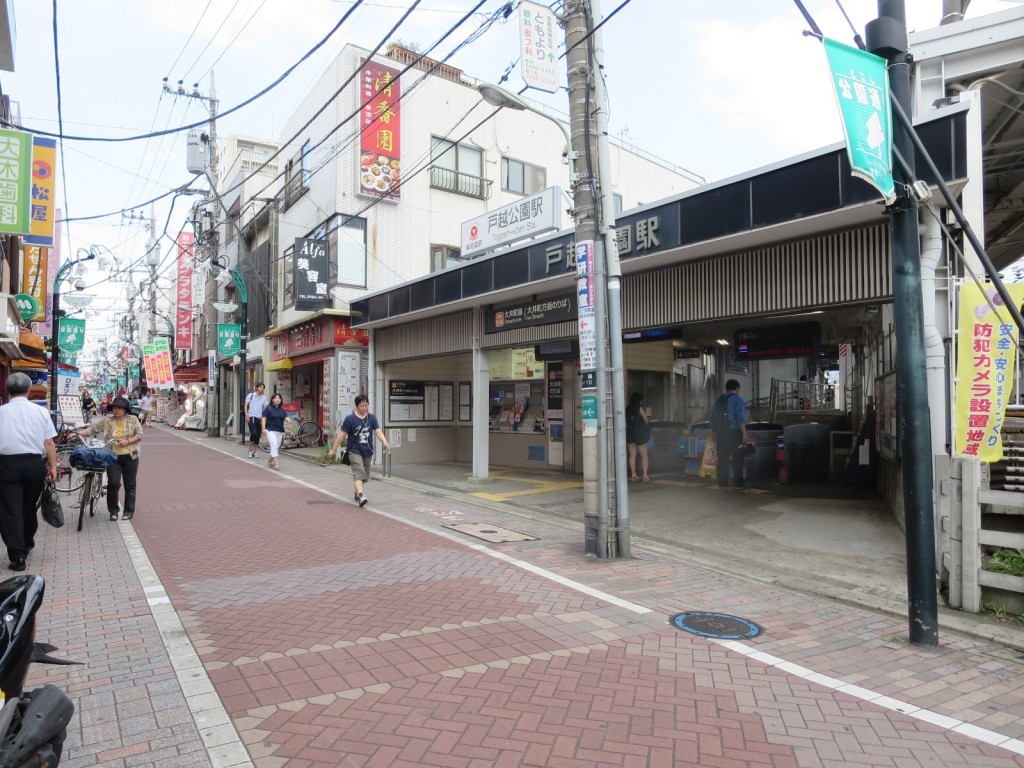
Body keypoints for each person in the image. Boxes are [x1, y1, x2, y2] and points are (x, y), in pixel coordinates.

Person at [0, 373, 58, 571]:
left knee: (10, 509)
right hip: (34, 464)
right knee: (28, 505)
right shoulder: (40, 412)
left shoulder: (1, 412)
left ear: (8, 390)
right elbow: (49, 442)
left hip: (6, 464)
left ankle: (17, 555)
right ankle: (27, 541)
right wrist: (53, 466)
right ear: (29, 390)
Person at [80, 395, 143, 521]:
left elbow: (139, 435)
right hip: (112, 457)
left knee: (130, 485)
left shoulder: (132, 419)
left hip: (131, 456)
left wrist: (128, 441)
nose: (116, 410)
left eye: (120, 408)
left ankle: (128, 511)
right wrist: (77, 433)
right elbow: (92, 430)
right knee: (113, 484)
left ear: (125, 409)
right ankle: (113, 511)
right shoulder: (107, 421)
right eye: (115, 407)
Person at [327, 394, 390, 507]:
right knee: (358, 472)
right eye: (362, 406)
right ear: (357, 406)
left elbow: (378, 431)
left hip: (368, 450)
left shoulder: (372, 418)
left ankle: (357, 492)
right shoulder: (350, 419)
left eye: (366, 405)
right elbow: (342, 435)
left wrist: (384, 441)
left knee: (365, 475)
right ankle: (361, 496)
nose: (364, 408)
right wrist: (333, 449)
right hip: (354, 450)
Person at [715, 379, 748, 489]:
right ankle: (738, 483)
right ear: (737, 388)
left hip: (720, 433)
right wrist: (744, 433)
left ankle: (722, 482)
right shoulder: (738, 400)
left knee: (722, 458)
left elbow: (713, 416)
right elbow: (740, 419)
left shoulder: (720, 399)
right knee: (737, 457)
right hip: (733, 433)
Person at [625, 392, 652, 482]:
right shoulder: (639, 409)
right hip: (639, 435)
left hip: (630, 435)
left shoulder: (627, 410)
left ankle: (633, 475)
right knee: (644, 456)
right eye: (641, 400)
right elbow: (646, 420)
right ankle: (645, 476)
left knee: (632, 455)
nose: (642, 402)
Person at [261, 393, 287, 471]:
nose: (277, 399)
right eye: (275, 398)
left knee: (276, 447)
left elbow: (286, 417)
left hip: (279, 431)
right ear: (272, 400)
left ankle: (270, 459)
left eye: (279, 398)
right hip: (270, 430)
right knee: (274, 445)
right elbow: (264, 419)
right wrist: (263, 429)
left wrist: (289, 420)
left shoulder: (282, 410)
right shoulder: (268, 408)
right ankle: (276, 463)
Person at [243, 382, 268, 458]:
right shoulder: (251, 395)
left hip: (260, 418)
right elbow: (245, 405)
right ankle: (250, 450)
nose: (262, 389)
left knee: (258, 435)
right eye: (260, 387)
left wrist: (264, 418)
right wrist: (246, 415)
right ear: (256, 388)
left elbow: (265, 408)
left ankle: (254, 452)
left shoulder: (264, 397)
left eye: (263, 387)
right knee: (254, 433)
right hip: (252, 416)